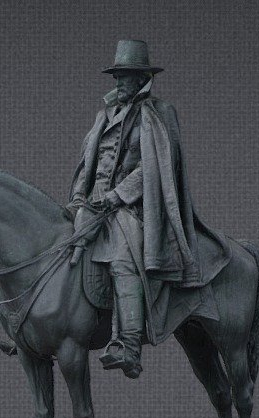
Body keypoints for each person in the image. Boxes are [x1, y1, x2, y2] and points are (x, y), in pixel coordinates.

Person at [69, 40, 212, 378]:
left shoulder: (158, 113)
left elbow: (156, 166)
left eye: (126, 76)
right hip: (91, 204)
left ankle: (129, 345)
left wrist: (118, 195)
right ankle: (37, 329)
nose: (119, 82)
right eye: (117, 75)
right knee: (57, 244)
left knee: (122, 257)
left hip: (133, 208)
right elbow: (88, 163)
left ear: (141, 78)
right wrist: (78, 196)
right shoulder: (103, 115)